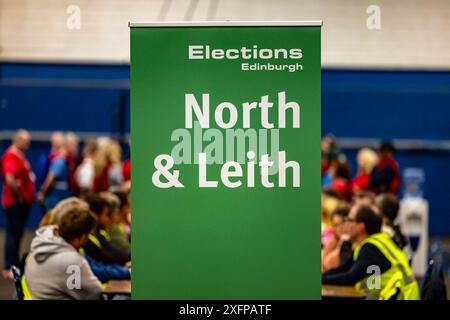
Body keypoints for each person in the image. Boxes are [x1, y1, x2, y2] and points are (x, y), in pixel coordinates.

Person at [322, 205, 420, 300]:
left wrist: (317, 280)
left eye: (350, 220)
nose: (346, 224)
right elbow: (343, 269)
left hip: (403, 296)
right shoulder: (372, 243)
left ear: (361, 226)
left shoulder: (371, 249)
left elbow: (350, 278)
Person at [24, 202, 102, 300]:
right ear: (81, 237)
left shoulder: (40, 242)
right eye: (87, 236)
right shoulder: (72, 260)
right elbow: (94, 292)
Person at [0, 129, 35, 279]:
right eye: (26, 143)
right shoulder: (11, 156)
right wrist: (20, 197)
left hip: (20, 203)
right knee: (13, 235)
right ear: (18, 141)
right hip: (14, 203)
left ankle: (13, 265)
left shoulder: (19, 156)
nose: (28, 146)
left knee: (17, 234)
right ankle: (9, 267)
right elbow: (10, 178)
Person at [82, 193, 130, 265]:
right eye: (107, 214)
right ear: (94, 215)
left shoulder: (100, 233)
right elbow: (107, 257)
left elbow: (115, 252)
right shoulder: (88, 237)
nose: (112, 218)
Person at [37, 136, 73, 211]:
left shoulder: (63, 160)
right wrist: (42, 193)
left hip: (58, 198)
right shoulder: (59, 161)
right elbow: (50, 178)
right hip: (54, 199)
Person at [322, 205, 351, 272]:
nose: (334, 228)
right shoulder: (335, 238)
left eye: (338, 225)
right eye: (334, 225)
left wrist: (341, 242)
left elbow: (330, 263)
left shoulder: (348, 243)